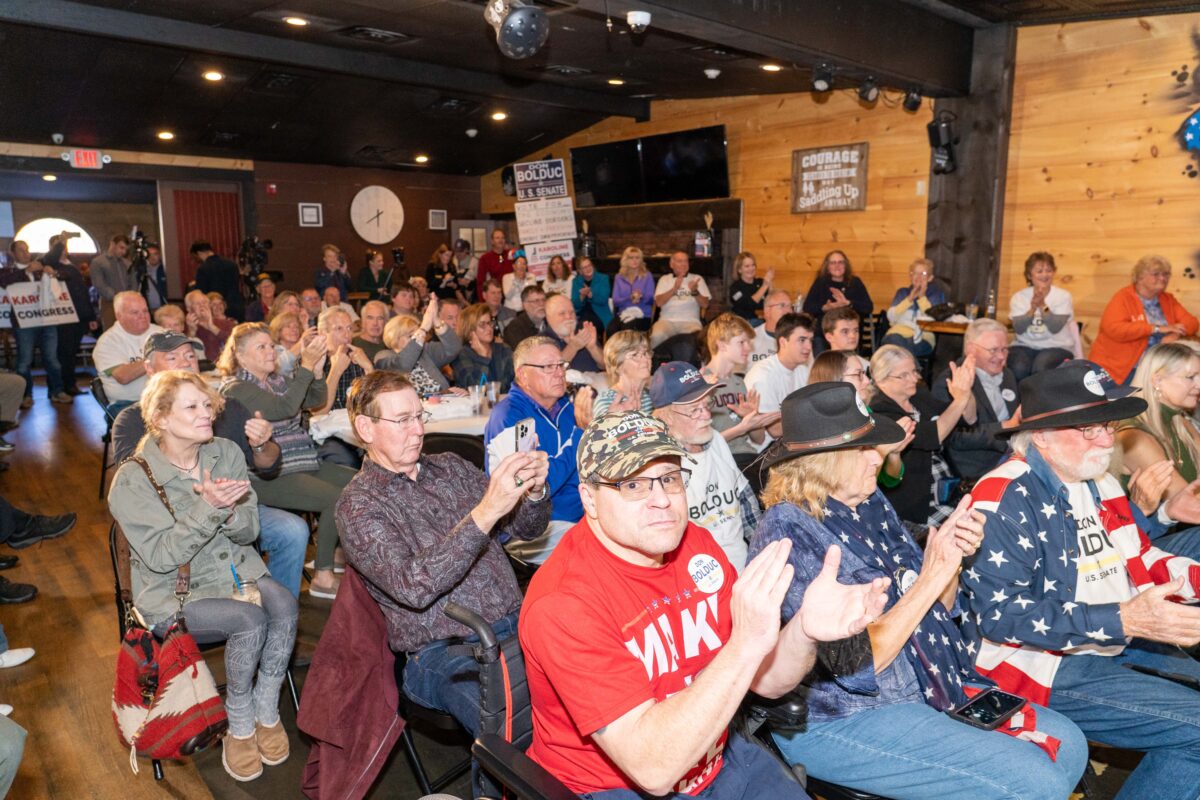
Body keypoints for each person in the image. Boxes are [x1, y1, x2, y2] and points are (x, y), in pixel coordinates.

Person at [519, 410, 890, 799]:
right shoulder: (565, 601)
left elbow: (768, 680)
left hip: (714, 755)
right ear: (589, 500)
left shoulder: (695, 544)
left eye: (670, 478)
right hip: (613, 788)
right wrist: (745, 645)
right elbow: (653, 769)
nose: (661, 500)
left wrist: (803, 631)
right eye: (633, 485)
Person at [749, 382, 1087, 800]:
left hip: (929, 682)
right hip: (841, 717)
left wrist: (954, 560)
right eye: (864, 449)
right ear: (821, 461)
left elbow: (938, 611)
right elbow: (858, 665)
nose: (880, 456)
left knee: (1070, 746)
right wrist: (932, 575)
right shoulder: (789, 530)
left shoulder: (867, 504)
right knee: (1033, 782)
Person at [965, 360, 1200, 800]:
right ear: (1041, 436)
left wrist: (1195, 579)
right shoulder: (1005, 493)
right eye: (1087, 429)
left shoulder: (1102, 481)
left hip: (1110, 643)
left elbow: (1141, 557)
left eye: (1107, 425)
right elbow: (999, 616)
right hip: (1038, 666)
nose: (1106, 439)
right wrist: (1125, 619)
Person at [107, 370, 298, 782]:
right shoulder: (134, 479)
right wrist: (208, 508)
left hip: (233, 571)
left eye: (207, 404)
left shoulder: (225, 452)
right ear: (160, 418)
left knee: (284, 602)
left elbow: (249, 532)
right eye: (192, 406)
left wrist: (227, 510)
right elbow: (160, 558)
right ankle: (239, 720)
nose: (205, 413)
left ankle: (266, 707)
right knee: (250, 619)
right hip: (173, 592)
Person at [337, 370, 549, 733]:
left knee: (593, 693)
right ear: (366, 428)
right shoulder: (358, 505)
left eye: (420, 416)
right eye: (403, 420)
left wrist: (534, 492)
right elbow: (413, 588)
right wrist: (485, 513)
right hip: (445, 651)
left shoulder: (451, 466)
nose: (418, 430)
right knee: (515, 735)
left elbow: (526, 528)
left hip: (520, 623)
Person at [111, 331, 309, 598]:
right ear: (148, 368)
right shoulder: (133, 419)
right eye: (172, 357)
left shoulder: (227, 407)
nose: (185, 362)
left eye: (190, 356)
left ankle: (276, 603)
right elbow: (136, 487)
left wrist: (262, 443)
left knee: (293, 530)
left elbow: (268, 466)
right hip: (172, 520)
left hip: (232, 509)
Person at [217, 323, 356, 600]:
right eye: (262, 347)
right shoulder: (236, 387)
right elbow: (285, 408)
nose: (271, 351)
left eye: (271, 345)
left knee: (359, 482)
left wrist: (315, 372)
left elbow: (314, 400)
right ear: (241, 356)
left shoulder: (276, 381)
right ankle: (323, 574)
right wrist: (305, 366)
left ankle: (341, 551)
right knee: (336, 498)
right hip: (264, 475)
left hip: (301, 461)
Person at [650, 361, 760, 570]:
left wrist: (762, 557)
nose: (707, 416)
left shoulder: (716, 440)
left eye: (707, 405)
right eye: (694, 410)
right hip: (701, 577)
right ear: (666, 417)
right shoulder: (661, 464)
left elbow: (747, 505)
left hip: (744, 566)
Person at [484, 337, 582, 566]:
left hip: (581, 515)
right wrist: (581, 434)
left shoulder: (568, 407)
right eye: (548, 367)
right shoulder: (509, 417)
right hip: (531, 531)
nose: (559, 373)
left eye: (561, 365)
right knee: (596, 553)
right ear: (522, 374)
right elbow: (535, 487)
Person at [870, 344, 973, 526]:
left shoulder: (917, 397)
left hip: (949, 486)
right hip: (919, 503)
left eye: (914, 371)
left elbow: (967, 418)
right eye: (904, 375)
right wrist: (961, 398)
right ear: (880, 379)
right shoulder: (880, 412)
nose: (914, 379)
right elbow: (935, 435)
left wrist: (967, 390)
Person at [1117, 343, 1200, 540]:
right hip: (1151, 541)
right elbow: (1186, 501)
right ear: (1157, 380)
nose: (1199, 384)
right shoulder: (1134, 436)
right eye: (1191, 377)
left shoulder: (1181, 422)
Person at [932, 318, 1021, 483]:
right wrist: (1003, 428)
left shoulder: (1007, 375)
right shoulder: (950, 382)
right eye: (993, 350)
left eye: (1004, 349)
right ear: (970, 350)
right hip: (975, 468)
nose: (1001, 356)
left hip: (1011, 457)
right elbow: (954, 438)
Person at [809, 350, 913, 489]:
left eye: (864, 373)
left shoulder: (865, 413)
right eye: (858, 374)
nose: (867, 380)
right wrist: (881, 451)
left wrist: (894, 453)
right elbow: (855, 489)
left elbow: (891, 480)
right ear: (835, 380)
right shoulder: (827, 428)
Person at [1091, 254, 1199, 385]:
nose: (1162, 278)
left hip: (1156, 368)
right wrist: (1155, 329)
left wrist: (1174, 334)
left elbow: (1192, 323)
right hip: (1121, 369)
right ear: (1140, 277)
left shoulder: (1167, 299)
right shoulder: (1123, 298)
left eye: (1166, 274)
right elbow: (1114, 329)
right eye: (1156, 274)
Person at [0, 241, 70, 407]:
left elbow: (66, 277)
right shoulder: (8, 270)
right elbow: (4, 281)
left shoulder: (40, 270)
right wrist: (26, 271)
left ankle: (57, 391)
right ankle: (25, 395)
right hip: (24, 324)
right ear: (13, 254)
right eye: (22, 251)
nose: (26, 253)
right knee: (24, 361)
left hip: (47, 320)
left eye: (28, 249)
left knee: (52, 359)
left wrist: (53, 273)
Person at [702, 313, 778, 459]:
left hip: (746, 455)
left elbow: (759, 439)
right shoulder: (702, 382)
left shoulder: (738, 382)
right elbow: (702, 443)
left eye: (748, 342)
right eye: (742, 342)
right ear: (722, 345)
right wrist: (742, 428)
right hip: (718, 457)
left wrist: (752, 417)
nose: (748, 348)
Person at [1008, 252, 1082, 381]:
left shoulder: (1062, 296)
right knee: (1018, 367)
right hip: (1024, 345)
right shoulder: (1019, 297)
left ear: (1054, 273)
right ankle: (1019, 401)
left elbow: (1055, 327)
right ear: (1029, 275)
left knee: (1041, 367)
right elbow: (1019, 328)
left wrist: (1042, 306)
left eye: (1048, 270)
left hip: (1057, 346)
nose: (1044, 275)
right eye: (1039, 271)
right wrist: (1032, 309)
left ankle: (1038, 402)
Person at [43, 234, 97, 395]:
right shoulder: (49, 265)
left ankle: (70, 385)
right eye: (59, 246)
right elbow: (51, 258)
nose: (62, 249)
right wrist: (59, 242)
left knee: (72, 352)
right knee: (63, 353)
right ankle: (59, 387)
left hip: (79, 315)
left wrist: (91, 317)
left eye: (64, 246)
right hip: (63, 316)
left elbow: (84, 293)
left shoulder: (72, 266)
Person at [745, 312, 815, 437]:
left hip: (794, 441)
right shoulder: (763, 375)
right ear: (783, 342)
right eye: (802, 340)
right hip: (767, 450)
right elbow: (776, 430)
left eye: (810, 340)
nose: (809, 347)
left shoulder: (803, 370)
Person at [93, 291, 166, 408]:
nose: (143, 316)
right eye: (135, 312)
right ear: (119, 315)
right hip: (128, 405)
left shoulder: (161, 332)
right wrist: (158, 356)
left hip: (164, 398)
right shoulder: (108, 342)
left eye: (145, 311)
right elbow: (123, 376)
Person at [375, 300, 462, 395]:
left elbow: (454, 348)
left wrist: (436, 321)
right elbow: (403, 365)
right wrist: (423, 328)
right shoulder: (383, 356)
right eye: (410, 336)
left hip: (442, 403)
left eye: (417, 334)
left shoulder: (425, 351)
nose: (418, 338)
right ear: (394, 338)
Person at [311, 307, 374, 432]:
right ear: (323, 333)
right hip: (328, 432)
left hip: (361, 427)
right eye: (339, 328)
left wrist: (369, 369)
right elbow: (318, 412)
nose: (347, 334)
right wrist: (336, 370)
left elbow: (377, 405)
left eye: (350, 328)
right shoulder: (311, 361)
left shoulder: (358, 356)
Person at [802, 250, 873, 355]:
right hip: (824, 334)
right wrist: (825, 308)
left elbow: (868, 307)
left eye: (840, 262)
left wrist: (848, 303)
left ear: (846, 265)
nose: (837, 266)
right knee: (819, 345)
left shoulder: (855, 282)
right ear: (827, 266)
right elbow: (807, 307)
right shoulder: (821, 282)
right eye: (833, 263)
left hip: (849, 333)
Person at [883, 258, 946, 357]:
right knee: (894, 341)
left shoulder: (935, 294)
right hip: (897, 334)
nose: (918, 277)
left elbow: (934, 319)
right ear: (911, 276)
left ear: (930, 278)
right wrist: (909, 299)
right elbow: (891, 317)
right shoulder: (902, 292)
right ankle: (914, 369)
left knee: (897, 351)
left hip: (923, 337)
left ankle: (911, 369)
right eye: (915, 273)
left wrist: (922, 297)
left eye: (923, 274)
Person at [651, 250, 711, 349]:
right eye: (680, 261)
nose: (683, 264)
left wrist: (695, 291)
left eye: (686, 261)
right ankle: (654, 363)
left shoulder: (697, 279)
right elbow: (659, 302)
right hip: (666, 321)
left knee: (694, 339)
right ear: (671, 264)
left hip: (691, 322)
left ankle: (690, 364)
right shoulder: (664, 279)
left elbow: (705, 305)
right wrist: (674, 290)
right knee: (656, 335)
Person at [453, 303, 515, 394]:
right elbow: (476, 390)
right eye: (482, 325)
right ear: (470, 330)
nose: (489, 328)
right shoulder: (462, 354)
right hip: (475, 406)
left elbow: (515, 384)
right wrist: (483, 358)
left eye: (490, 323)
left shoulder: (503, 349)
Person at [592, 331, 653, 417]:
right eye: (635, 355)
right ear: (618, 366)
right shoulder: (606, 401)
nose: (645, 359)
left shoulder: (653, 397)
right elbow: (600, 429)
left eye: (645, 353)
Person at [544, 293, 603, 374]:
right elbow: (551, 373)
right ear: (548, 317)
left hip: (595, 384)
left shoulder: (582, 332)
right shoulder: (542, 341)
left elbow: (606, 366)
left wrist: (593, 348)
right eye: (562, 313)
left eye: (572, 312)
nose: (568, 317)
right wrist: (573, 347)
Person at [191, 241, 245, 321]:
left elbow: (201, 292)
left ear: (199, 253)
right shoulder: (231, 264)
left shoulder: (203, 268)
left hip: (216, 309)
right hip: (236, 306)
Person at [89, 233, 132, 329]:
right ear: (112, 244)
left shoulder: (127, 263)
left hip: (128, 302)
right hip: (108, 303)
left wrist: (131, 296)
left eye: (126, 249)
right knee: (111, 332)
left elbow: (132, 282)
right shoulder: (98, 262)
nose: (124, 252)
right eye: (121, 248)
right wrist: (116, 296)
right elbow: (99, 284)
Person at [610, 245, 655, 335]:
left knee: (627, 330)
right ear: (625, 260)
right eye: (631, 258)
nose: (634, 260)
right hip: (623, 314)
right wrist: (629, 298)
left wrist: (641, 297)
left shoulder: (647, 276)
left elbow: (651, 299)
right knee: (611, 330)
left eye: (637, 258)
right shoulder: (619, 277)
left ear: (641, 260)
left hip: (642, 315)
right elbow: (616, 301)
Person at [185, 289, 235, 362]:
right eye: (197, 303)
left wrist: (212, 327)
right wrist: (191, 332)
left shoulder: (227, 323)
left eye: (204, 302)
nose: (202, 305)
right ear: (189, 309)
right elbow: (185, 352)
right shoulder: (185, 326)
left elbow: (235, 343)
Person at [727, 251, 773, 325]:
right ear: (739, 270)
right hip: (744, 324)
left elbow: (771, 302)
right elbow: (750, 305)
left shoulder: (760, 282)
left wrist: (770, 285)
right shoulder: (735, 288)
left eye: (753, 265)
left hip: (763, 322)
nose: (751, 268)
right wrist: (765, 286)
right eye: (747, 266)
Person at [750, 289, 793, 367]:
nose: (788, 311)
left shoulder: (799, 340)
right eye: (782, 305)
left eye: (790, 306)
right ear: (767, 311)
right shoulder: (751, 338)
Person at [570, 255, 612, 331]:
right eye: (584, 267)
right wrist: (582, 296)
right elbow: (575, 305)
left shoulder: (603, 278)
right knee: (580, 325)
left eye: (589, 265)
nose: (588, 268)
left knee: (584, 326)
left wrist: (591, 295)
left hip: (600, 314)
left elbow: (603, 300)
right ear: (580, 271)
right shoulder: (576, 281)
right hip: (581, 314)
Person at [501, 285, 549, 350]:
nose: (541, 304)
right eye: (536, 301)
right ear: (524, 305)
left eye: (543, 300)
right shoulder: (515, 328)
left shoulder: (551, 321)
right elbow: (523, 356)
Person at [476, 228, 513, 300]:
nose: (500, 240)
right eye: (497, 238)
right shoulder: (485, 258)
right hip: (494, 297)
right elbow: (480, 282)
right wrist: (483, 300)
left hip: (511, 296)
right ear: (492, 241)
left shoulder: (511, 255)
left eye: (503, 238)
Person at [268, 311, 306, 379]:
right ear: (278, 330)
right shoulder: (273, 351)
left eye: (296, 326)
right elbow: (280, 369)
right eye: (288, 326)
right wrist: (301, 343)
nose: (293, 330)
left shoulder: (303, 351)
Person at [143, 243, 168, 312]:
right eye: (149, 254)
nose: (152, 257)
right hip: (147, 310)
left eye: (155, 254)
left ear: (160, 255)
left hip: (164, 308)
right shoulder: (143, 272)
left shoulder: (166, 270)